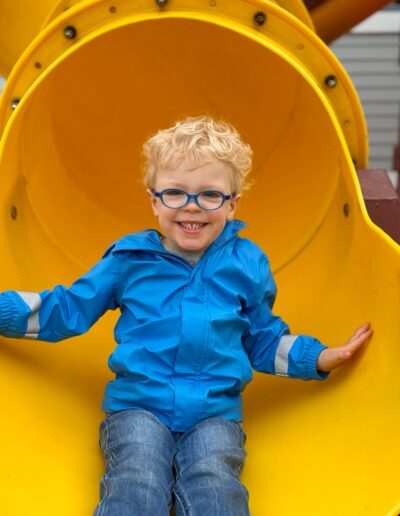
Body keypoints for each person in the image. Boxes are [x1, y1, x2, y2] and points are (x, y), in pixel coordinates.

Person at [0, 116, 372, 515]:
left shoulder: (247, 264)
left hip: (214, 412)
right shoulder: (130, 260)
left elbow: (262, 338)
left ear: (232, 204)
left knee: (216, 483)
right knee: (137, 476)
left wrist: (317, 357)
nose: (191, 207)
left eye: (210, 195)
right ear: (154, 201)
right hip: (139, 405)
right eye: (175, 193)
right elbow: (70, 307)